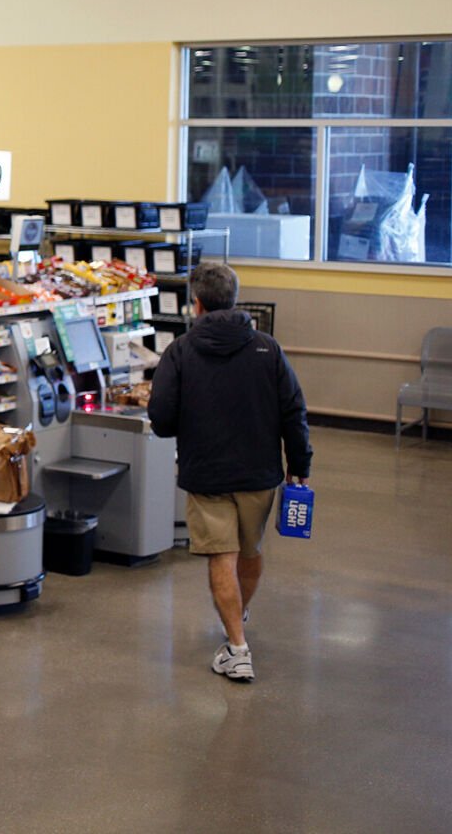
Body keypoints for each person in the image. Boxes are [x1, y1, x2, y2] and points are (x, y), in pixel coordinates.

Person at [148, 261, 310, 684]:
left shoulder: (180, 351)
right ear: (235, 299)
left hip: (207, 473)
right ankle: (236, 617)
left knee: (222, 555)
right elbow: (294, 410)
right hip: (260, 472)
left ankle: (237, 649)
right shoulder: (267, 349)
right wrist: (300, 466)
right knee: (250, 551)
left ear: (196, 303)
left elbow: (161, 419)